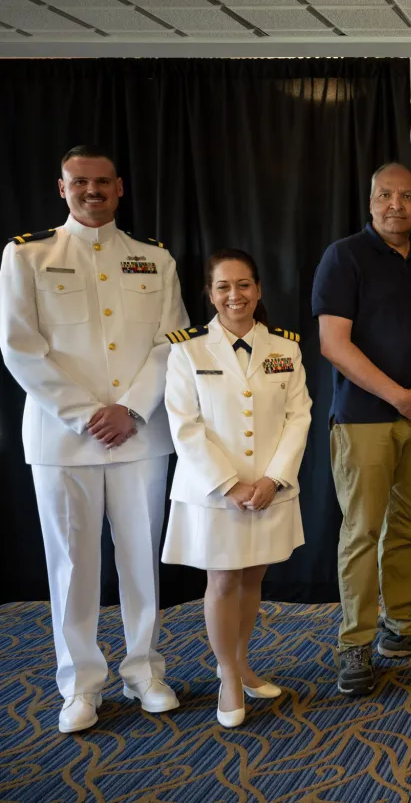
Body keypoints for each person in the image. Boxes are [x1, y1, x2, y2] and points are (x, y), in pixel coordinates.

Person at [0, 146, 188, 733]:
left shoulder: (153, 259)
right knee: (72, 565)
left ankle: (144, 671)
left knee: (140, 560)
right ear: (62, 188)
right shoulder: (28, 255)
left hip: (138, 434)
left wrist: (129, 408)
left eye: (103, 182)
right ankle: (79, 685)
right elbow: (18, 346)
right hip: (63, 439)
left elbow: (171, 343)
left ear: (119, 187)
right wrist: (87, 415)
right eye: (80, 182)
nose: (92, 191)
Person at [313, 162, 411, 698]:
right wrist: (400, 396)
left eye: (408, 197)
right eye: (386, 195)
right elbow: (333, 344)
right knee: (361, 532)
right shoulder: (343, 257)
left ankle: (401, 629)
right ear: (370, 201)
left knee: (407, 529)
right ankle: (356, 642)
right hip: (365, 420)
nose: (396, 205)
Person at [162, 249, 312, 727]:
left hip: (270, 487)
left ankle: (243, 661)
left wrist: (272, 479)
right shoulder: (186, 349)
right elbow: (185, 426)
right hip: (215, 492)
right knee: (223, 579)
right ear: (209, 294)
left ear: (259, 289)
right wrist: (230, 485)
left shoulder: (285, 348)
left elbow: (299, 416)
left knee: (252, 578)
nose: (235, 295)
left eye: (243, 285)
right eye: (223, 287)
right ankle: (228, 674)